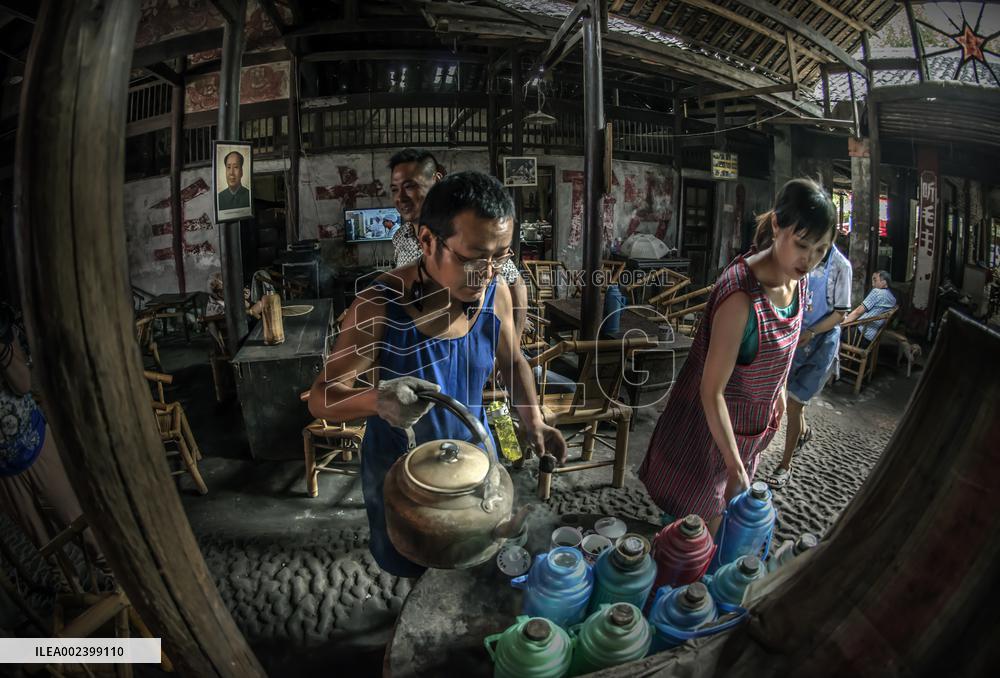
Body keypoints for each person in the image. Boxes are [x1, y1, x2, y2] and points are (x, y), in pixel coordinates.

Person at [308, 171, 567, 577]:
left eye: (501, 256)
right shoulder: (378, 305)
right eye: (473, 258)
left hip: (475, 462)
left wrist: (532, 418)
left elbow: (512, 359)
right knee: (413, 566)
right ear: (427, 240)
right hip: (405, 478)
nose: (488, 272)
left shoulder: (495, 292)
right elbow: (322, 397)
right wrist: (377, 400)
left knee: (474, 563)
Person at [638, 179, 837, 532]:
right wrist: (734, 467)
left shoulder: (797, 279)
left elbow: (784, 349)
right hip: (705, 437)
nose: (809, 260)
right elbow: (710, 390)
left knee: (721, 532)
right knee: (690, 538)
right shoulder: (741, 298)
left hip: (745, 432)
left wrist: (777, 391)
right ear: (776, 224)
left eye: (821, 250)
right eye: (803, 245)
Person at [0, 303, 105, 569]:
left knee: (76, 518)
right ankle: (71, 588)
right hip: (3, 472)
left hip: (34, 441)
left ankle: (115, 578)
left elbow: (23, 384)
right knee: (43, 543)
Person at [388, 148, 530, 336]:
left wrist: (515, 342)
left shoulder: (462, 230)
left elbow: (516, 283)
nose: (401, 198)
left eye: (410, 186)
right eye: (395, 189)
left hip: (469, 342)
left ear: (436, 179)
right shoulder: (399, 238)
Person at [765, 237, 852, 488]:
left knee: (794, 405)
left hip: (819, 345)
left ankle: (785, 466)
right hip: (795, 336)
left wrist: (812, 332)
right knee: (787, 400)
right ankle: (803, 433)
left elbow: (840, 313)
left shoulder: (841, 266)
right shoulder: (801, 256)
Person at [843, 270, 896, 348]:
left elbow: (858, 312)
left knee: (833, 330)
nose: (872, 284)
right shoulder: (892, 299)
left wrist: (842, 325)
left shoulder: (877, 292)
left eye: (875, 280)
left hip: (859, 336)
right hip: (870, 338)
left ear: (884, 282)